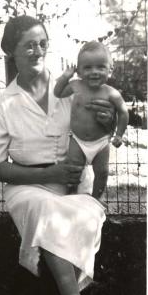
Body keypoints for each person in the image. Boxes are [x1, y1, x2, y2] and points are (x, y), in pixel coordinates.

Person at [0, 15, 115, 295]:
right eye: (28, 45)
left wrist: (107, 118)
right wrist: (47, 173)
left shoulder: (69, 89)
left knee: (84, 209)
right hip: (27, 185)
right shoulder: (5, 105)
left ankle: (49, 279)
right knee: (46, 209)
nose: (37, 50)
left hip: (71, 179)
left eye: (42, 43)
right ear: (10, 52)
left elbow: (97, 131)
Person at [54, 41, 129, 198]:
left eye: (100, 67)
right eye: (87, 68)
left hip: (101, 142)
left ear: (110, 69)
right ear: (79, 71)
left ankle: (97, 198)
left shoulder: (112, 93)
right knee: (73, 168)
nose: (94, 72)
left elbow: (123, 112)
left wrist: (119, 134)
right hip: (78, 140)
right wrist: (65, 77)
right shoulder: (75, 86)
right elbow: (58, 93)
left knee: (102, 172)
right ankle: (71, 192)